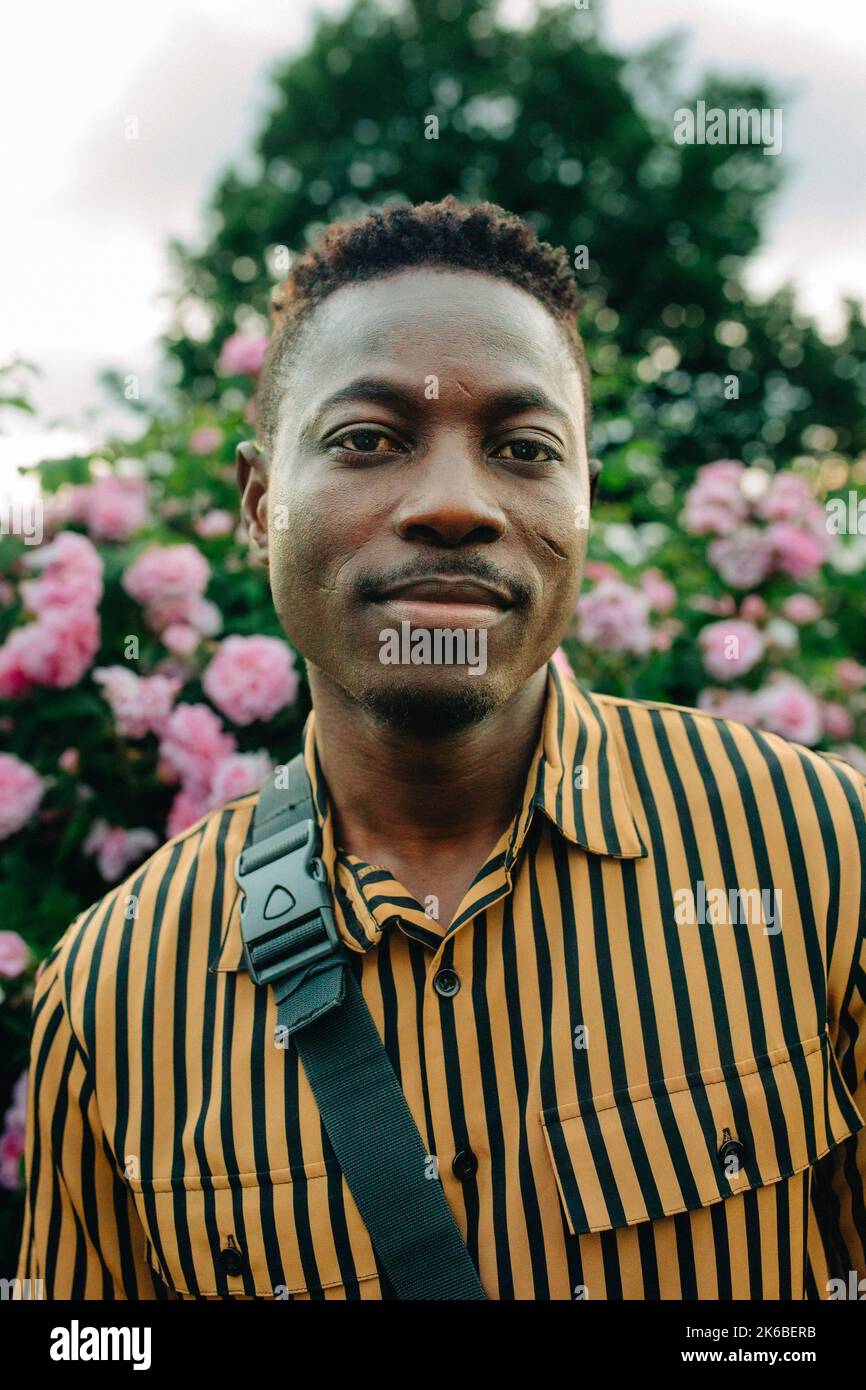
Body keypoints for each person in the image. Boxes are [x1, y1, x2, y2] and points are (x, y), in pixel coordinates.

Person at [16, 197, 865, 1300]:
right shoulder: (112, 993)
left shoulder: (816, 858)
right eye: (367, 440)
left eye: (522, 448)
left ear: (582, 502)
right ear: (258, 502)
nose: (456, 505)